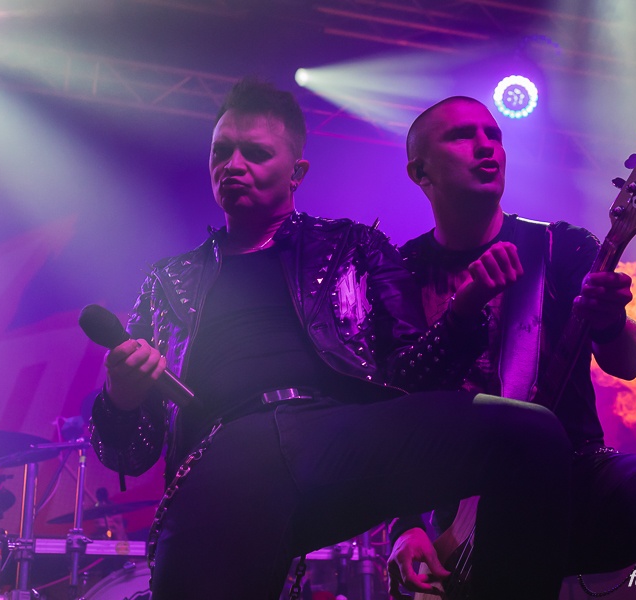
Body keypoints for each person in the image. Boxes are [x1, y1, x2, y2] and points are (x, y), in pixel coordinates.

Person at [89, 79, 574, 600]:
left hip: (340, 436)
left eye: (255, 153)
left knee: (530, 433)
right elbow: (128, 456)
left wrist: (462, 310)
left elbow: (413, 378)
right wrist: (121, 398)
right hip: (222, 459)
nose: (233, 165)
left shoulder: (353, 245)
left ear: (297, 173)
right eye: (221, 152)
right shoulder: (168, 281)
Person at [388, 96, 636, 599]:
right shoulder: (401, 271)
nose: (486, 146)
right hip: (461, 507)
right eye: (461, 136)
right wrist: (404, 525)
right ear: (420, 171)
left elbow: (626, 362)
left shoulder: (559, 246)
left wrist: (610, 322)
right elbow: (390, 409)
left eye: (494, 135)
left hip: (572, 473)